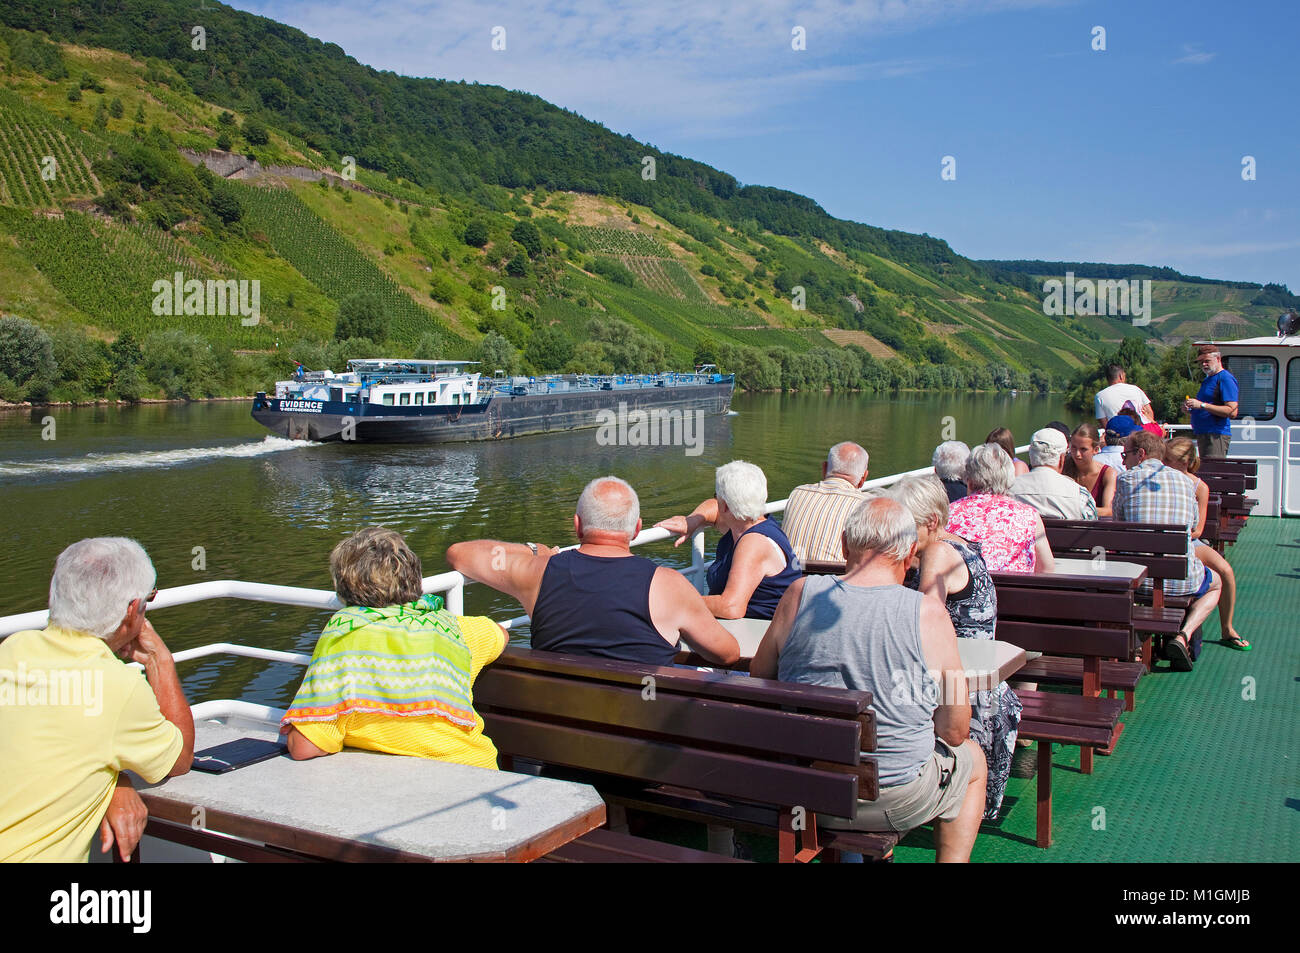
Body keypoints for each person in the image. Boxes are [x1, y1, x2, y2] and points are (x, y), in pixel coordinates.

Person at [751, 497, 987, 862]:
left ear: (844, 544)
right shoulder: (928, 613)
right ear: (911, 554)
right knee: (972, 758)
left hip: (805, 789)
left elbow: (760, 675)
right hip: (890, 798)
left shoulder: (798, 595)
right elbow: (955, 729)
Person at [0, 538, 194, 863]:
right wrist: (160, 660)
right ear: (132, 611)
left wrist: (114, 779)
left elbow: (47, 748)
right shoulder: (117, 686)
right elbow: (180, 758)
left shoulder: (11, 650)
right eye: (147, 601)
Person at [447, 477, 739, 666]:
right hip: (642, 751)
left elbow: (460, 554)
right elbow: (727, 653)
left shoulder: (537, 573)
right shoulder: (669, 586)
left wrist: (534, 552)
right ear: (636, 530)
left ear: (577, 526)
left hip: (554, 747)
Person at [282, 527, 508, 768]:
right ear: (414, 578)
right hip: (472, 767)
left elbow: (305, 747)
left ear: (344, 587)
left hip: (399, 785)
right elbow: (501, 635)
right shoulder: (455, 630)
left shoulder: (344, 635)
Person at [889, 476, 1020, 821]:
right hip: (979, 686)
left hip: (961, 694)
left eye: (906, 527)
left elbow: (923, 621)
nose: (898, 537)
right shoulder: (961, 546)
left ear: (931, 522)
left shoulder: (937, 553)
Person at [1114, 432, 1222, 670]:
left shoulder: (1124, 480)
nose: (1124, 461)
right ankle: (1183, 635)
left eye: (1127, 455)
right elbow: (1193, 527)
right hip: (1181, 580)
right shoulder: (1186, 482)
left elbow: (1118, 524)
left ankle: (1137, 642)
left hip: (1139, 580)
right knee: (1217, 583)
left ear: (1141, 454)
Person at [657, 460, 802, 620]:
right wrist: (692, 520)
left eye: (717, 497)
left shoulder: (754, 542)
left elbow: (731, 607)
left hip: (759, 633)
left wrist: (676, 600)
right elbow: (712, 507)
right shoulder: (747, 523)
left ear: (725, 506)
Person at [1163, 438, 1250, 651]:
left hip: (1190, 539)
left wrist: (1180, 536)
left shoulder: (1199, 487)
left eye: (1169, 460)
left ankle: (1227, 628)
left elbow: (1199, 529)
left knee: (1225, 570)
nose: (1164, 463)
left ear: (1184, 462)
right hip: (1166, 539)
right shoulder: (1163, 480)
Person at [948, 443, 1054, 573]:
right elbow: (1046, 568)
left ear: (969, 479)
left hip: (967, 591)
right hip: (1015, 592)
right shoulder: (1029, 515)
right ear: (1009, 476)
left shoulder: (949, 512)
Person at [781, 442, 871, 562]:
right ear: (863, 478)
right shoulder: (866, 505)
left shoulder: (798, 492)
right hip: (833, 579)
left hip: (789, 576)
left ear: (824, 468)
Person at [1009, 428, 1098, 520]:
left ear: (1031, 456)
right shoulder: (1081, 496)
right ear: (1062, 459)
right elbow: (1091, 529)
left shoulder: (1008, 490)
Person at [1184, 345, 1239, 459]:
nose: (1204, 364)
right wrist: (1191, 409)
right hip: (1203, 433)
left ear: (1218, 359)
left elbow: (1232, 411)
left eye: (1207, 361)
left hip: (1215, 434)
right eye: (1201, 362)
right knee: (1206, 472)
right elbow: (1207, 406)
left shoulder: (1225, 378)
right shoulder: (1208, 379)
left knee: (1212, 472)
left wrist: (1202, 405)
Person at [1062, 423, 1118, 517]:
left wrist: (1075, 510)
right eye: (1074, 447)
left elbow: (1108, 511)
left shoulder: (1108, 473)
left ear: (1096, 450)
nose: (1077, 454)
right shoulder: (1063, 468)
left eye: (1083, 449)